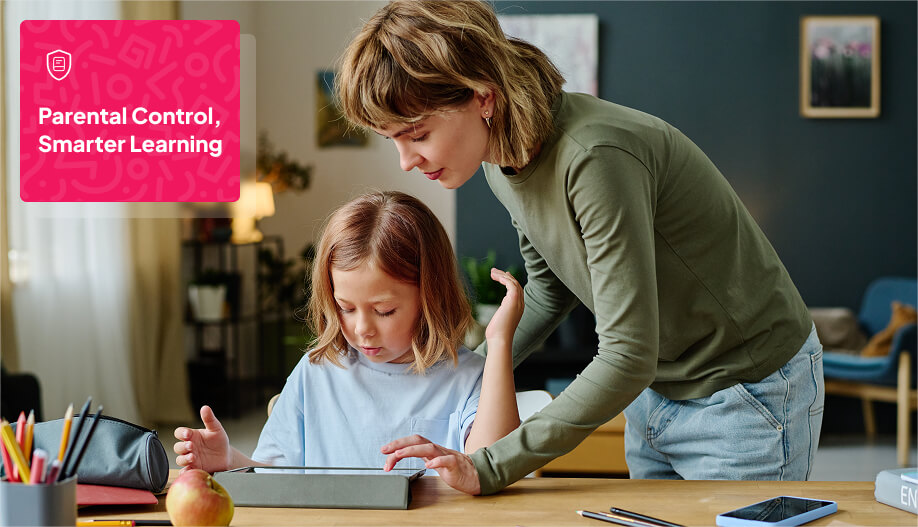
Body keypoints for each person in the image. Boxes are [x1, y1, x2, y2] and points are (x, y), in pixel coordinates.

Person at [336, 0, 824, 495]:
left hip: (742, 391)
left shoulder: (594, 158)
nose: (405, 161)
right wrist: (458, 373)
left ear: (482, 97)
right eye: (391, 140)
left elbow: (628, 353)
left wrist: (492, 464)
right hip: (657, 389)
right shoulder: (500, 158)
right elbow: (549, 291)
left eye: (416, 135)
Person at [173, 191, 524, 482]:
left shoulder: (470, 376)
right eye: (345, 308)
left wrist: (499, 343)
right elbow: (276, 479)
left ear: (430, 296)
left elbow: (491, 470)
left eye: (384, 310)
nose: (362, 329)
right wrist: (230, 461)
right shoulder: (316, 371)